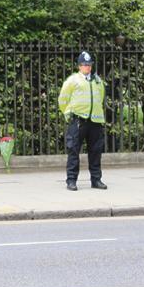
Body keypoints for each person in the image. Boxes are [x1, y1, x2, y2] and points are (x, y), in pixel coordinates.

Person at [58, 51, 107, 191]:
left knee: (96, 151)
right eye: (85, 65)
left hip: (95, 121)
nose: (87, 67)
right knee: (73, 150)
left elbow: (101, 97)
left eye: (89, 64)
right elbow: (63, 99)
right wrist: (68, 113)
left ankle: (96, 180)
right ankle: (71, 180)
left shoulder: (98, 81)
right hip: (78, 120)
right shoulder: (72, 80)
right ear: (79, 66)